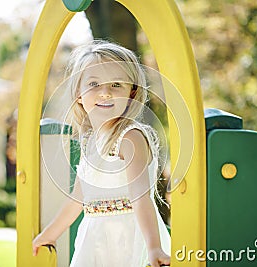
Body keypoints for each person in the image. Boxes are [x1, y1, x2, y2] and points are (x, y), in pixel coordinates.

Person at [33, 40, 171, 267]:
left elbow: (140, 197)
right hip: (94, 238)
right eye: (94, 84)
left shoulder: (130, 137)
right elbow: (76, 200)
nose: (105, 93)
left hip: (127, 238)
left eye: (116, 84)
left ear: (132, 92)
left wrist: (154, 246)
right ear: (78, 93)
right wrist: (49, 235)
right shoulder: (89, 143)